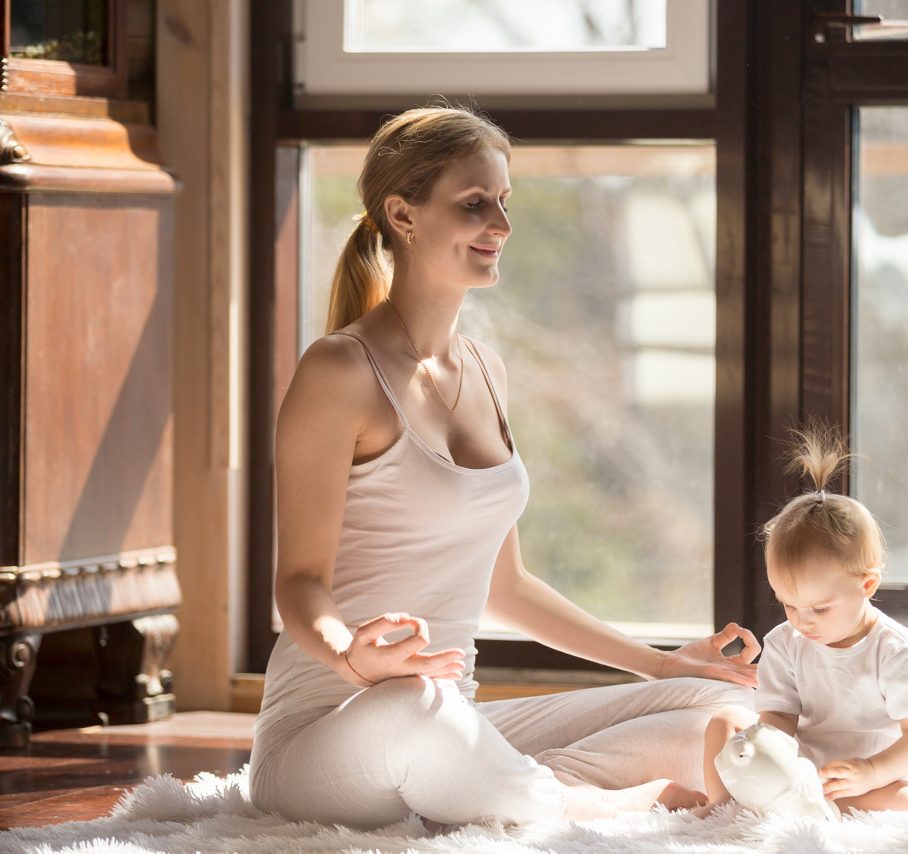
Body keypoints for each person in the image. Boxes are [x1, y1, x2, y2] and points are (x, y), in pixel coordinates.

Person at [247, 105, 761, 830]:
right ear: (403, 214)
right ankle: (586, 806)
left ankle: (503, 790)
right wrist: (352, 658)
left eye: (504, 202)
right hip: (330, 735)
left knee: (717, 699)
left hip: (450, 722)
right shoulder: (340, 371)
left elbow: (507, 587)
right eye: (474, 203)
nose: (502, 225)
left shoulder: (486, 370)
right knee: (415, 706)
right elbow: (299, 582)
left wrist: (661, 665)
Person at [699, 425, 908, 815]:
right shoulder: (784, 642)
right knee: (725, 722)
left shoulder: (896, 650)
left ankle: (805, 806)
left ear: (867, 584)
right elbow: (778, 715)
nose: (801, 621)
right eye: (788, 605)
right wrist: (766, 758)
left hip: (875, 774)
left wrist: (871, 771)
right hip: (800, 766)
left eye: (819, 608)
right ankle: (723, 807)